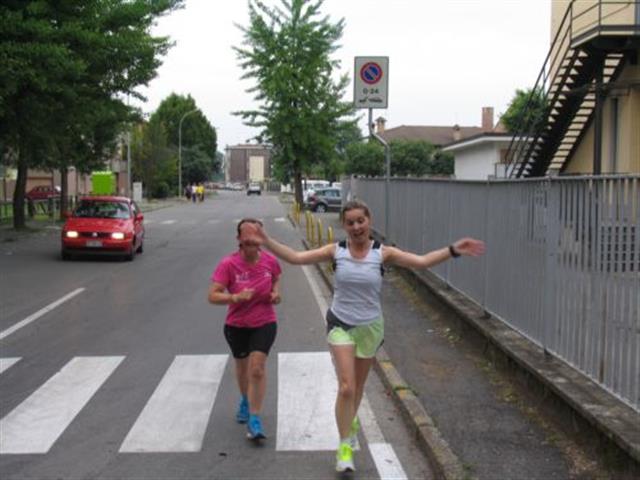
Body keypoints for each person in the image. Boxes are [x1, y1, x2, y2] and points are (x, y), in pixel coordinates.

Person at [244, 199, 485, 472]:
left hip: (370, 328)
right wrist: (266, 240)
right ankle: (345, 446)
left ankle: (350, 420)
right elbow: (296, 258)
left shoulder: (383, 253)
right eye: (350, 222)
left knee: (357, 390)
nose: (357, 227)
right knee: (346, 387)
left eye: (361, 220)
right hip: (341, 325)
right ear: (344, 225)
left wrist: (454, 250)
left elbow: (421, 262)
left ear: (369, 220)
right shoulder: (336, 250)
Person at [208, 218, 282, 440]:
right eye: (246, 236)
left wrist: (276, 294)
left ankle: (254, 418)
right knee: (242, 368)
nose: (251, 240)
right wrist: (235, 297)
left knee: (257, 369)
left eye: (255, 236)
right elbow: (212, 295)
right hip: (236, 325)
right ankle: (245, 399)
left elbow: (276, 280)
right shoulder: (228, 264)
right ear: (239, 238)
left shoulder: (270, 261)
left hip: (264, 321)